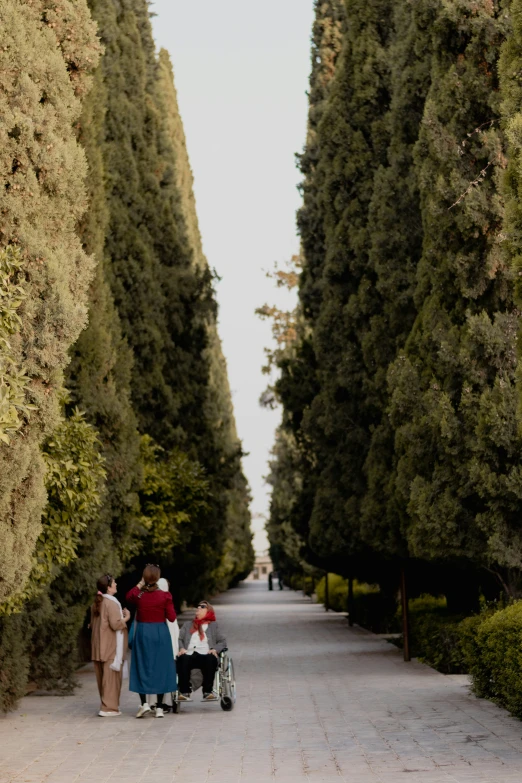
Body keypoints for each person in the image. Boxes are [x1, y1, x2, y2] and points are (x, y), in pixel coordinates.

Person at [126, 564, 177, 718]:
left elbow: (129, 597)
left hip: (143, 632)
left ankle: (144, 704)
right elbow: (172, 617)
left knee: (142, 665)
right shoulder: (165, 596)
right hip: (160, 632)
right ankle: (160, 707)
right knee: (160, 666)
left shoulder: (139, 595)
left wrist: (140, 583)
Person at [90, 573, 130, 717]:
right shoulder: (111, 603)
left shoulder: (96, 602)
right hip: (110, 646)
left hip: (98, 646)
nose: (116, 584)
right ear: (108, 587)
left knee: (103, 678)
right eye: (114, 583)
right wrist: (126, 617)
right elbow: (116, 624)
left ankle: (105, 705)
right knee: (111, 679)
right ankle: (109, 708)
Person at [177, 600, 227, 701]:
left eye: (202, 606)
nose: (199, 607)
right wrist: (181, 648)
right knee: (182, 659)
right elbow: (179, 638)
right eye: (198, 606)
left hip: (205, 654)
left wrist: (215, 649)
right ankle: (185, 692)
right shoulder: (187, 625)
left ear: (209, 611)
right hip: (189, 653)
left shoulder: (213, 626)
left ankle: (207, 692)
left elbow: (222, 641)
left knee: (211, 658)